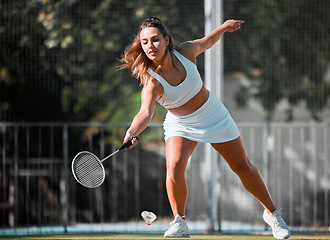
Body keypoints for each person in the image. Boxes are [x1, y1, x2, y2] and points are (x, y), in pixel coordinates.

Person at [118, 17, 290, 239]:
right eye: (144, 42)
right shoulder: (152, 83)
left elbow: (208, 41)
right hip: (181, 124)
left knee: (243, 166)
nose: (150, 46)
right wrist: (131, 132)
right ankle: (179, 222)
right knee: (174, 166)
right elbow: (145, 114)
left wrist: (225, 28)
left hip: (213, 115)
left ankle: (273, 214)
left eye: (155, 40)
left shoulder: (186, 52)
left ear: (166, 40)